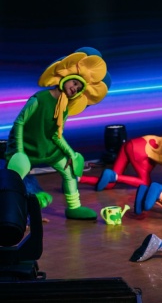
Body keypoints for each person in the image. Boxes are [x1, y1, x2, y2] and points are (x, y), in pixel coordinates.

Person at [6, 47, 109, 219]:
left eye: (79, 88)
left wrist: (71, 154)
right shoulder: (39, 99)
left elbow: (56, 134)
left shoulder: (64, 107)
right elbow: (19, 123)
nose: (75, 88)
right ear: (66, 79)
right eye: (74, 83)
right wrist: (20, 151)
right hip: (27, 147)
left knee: (69, 172)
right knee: (15, 179)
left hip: (48, 148)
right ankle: (15, 213)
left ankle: (74, 207)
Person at [81, 134, 162, 191]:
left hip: (132, 144)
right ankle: (114, 176)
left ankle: (78, 178)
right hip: (140, 149)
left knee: (110, 184)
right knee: (145, 183)